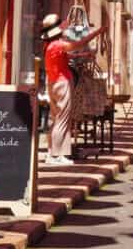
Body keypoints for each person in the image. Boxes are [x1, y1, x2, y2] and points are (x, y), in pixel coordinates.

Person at [41, 14, 105, 166]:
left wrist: (84, 54)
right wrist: (98, 32)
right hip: (62, 83)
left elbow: (68, 54)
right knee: (62, 120)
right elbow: (79, 43)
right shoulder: (58, 44)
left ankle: (56, 153)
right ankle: (55, 155)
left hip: (53, 83)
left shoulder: (49, 46)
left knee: (57, 119)